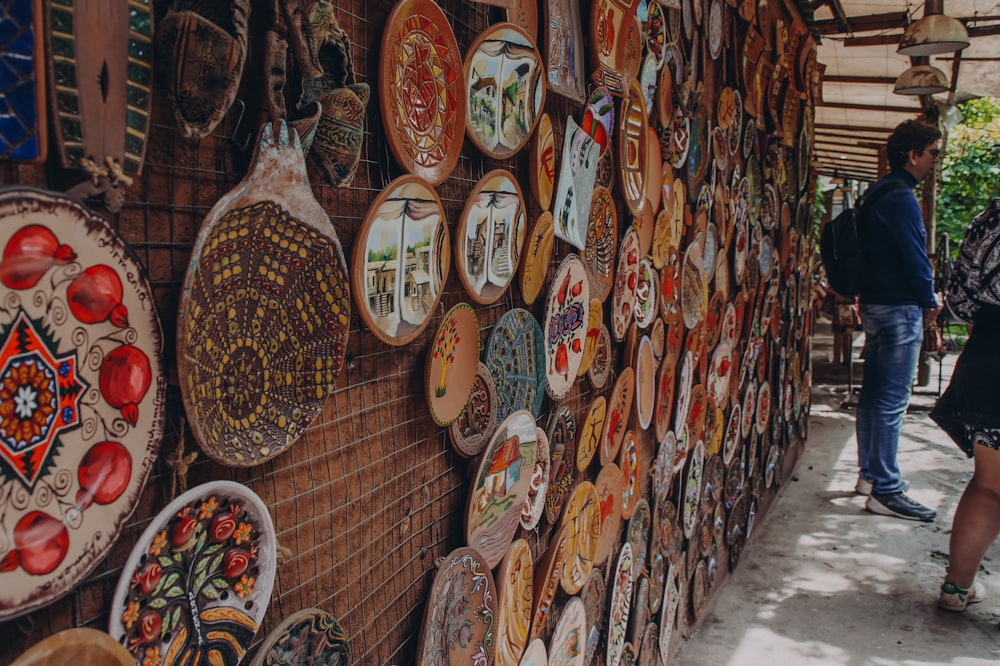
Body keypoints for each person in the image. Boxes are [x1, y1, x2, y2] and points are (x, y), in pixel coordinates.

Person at [855, 119, 942, 522]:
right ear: (913, 155)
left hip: (874, 304)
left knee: (873, 396)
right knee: (892, 401)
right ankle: (886, 488)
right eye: (932, 154)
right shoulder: (902, 197)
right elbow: (915, 256)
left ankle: (870, 476)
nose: (934, 162)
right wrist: (929, 299)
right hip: (897, 308)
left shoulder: (876, 192)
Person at [930, 198, 1000, 611]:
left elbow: (959, 300)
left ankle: (956, 590)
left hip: (992, 355)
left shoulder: (991, 218)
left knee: (989, 485)